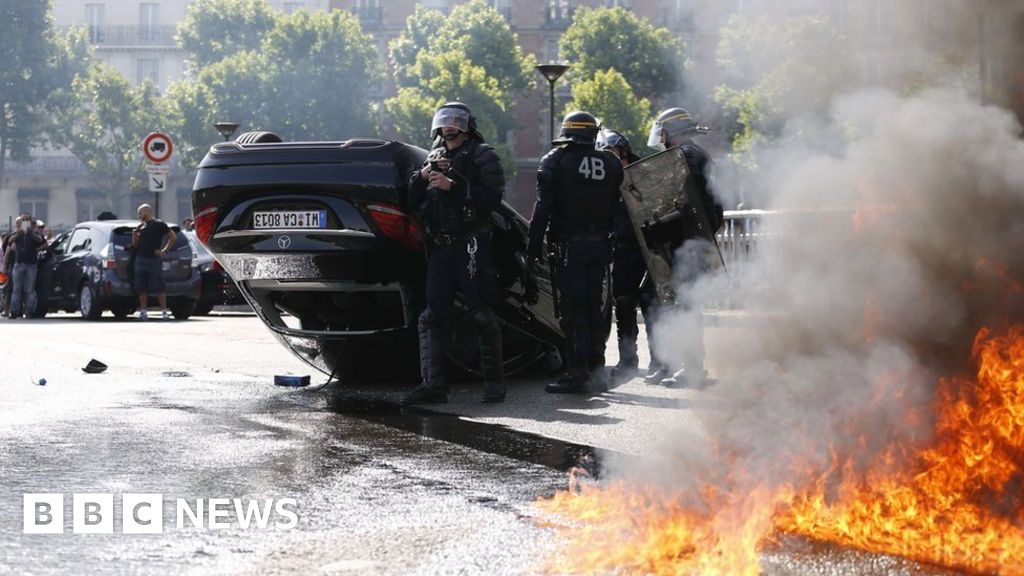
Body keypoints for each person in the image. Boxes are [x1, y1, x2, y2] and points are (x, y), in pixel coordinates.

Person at [401, 102, 507, 405]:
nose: (449, 127)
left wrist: (454, 185)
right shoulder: (434, 157)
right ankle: (433, 385)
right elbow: (412, 201)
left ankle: (495, 384)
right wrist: (422, 177)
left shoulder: (483, 155)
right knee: (431, 316)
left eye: (456, 121)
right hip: (440, 247)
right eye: (445, 121)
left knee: (481, 313)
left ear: (467, 126)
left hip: (471, 242)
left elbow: (492, 200)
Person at [527, 111, 623, 393]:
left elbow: (542, 209)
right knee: (595, 308)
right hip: (600, 247)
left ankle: (577, 372)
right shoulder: (611, 163)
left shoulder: (556, 160)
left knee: (573, 310)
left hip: (570, 247)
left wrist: (532, 251)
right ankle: (597, 371)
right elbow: (619, 209)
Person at [642, 107, 725, 386]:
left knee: (686, 305)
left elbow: (689, 208)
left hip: (688, 243)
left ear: (672, 132)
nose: (661, 138)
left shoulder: (686, 158)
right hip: (693, 241)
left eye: (664, 132)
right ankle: (682, 365)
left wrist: (658, 228)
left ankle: (691, 369)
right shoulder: (697, 156)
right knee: (682, 303)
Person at [596, 129, 652, 382]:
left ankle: (662, 362)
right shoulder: (606, 184)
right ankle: (628, 361)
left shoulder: (642, 175)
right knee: (624, 304)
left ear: (623, 151)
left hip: (648, 250)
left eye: (612, 153)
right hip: (621, 252)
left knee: (652, 305)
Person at [131, 204, 176, 321]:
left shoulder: (159, 225)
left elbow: (173, 237)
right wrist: (135, 234)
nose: (139, 216)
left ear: (146, 212)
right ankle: (143, 312)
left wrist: (164, 251)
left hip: (154, 260)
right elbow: (136, 245)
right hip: (141, 259)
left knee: (159, 286)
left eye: (140, 213)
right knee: (141, 287)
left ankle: (164, 312)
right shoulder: (140, 227)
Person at [8, 214, 47, 319]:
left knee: (30, 289)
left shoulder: (34, 233)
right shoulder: (17, 233)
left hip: (31, 264)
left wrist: (31, 233)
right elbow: (10, 240)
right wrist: (18, 234)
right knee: (16, 289)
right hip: (19, 263)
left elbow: (41, 241)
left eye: (27, 220)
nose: (25, 222)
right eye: (23, 220)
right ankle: (14, 311)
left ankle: (30, 311)